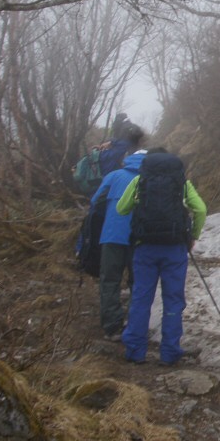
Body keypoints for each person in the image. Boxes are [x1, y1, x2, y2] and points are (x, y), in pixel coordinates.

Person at [116, 148, 207, 365]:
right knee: (173, 300)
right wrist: (192, 236)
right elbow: (201, 210)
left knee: (140, 298)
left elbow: (121, 209)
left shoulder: (140, 181)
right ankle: (170, 352)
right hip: (174, 248)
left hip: (144, 247)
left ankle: (135, 351)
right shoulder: (182, 183)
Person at [88, 128, 146, 340]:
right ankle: (135, 325)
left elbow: (95, 203)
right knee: (137, 282)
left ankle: (112, 327)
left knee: (110, 281)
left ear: (127, 160)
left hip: (111, 235)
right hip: (139, 239)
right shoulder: (148, 179)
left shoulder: (114, 176)